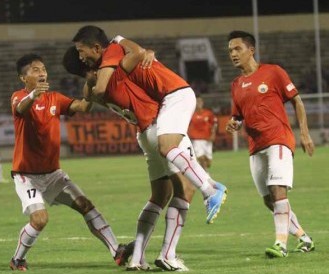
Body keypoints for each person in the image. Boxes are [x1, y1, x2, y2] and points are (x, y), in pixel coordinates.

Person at [72, 25, 227, 226]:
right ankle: (212, 187)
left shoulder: (112, 52)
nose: (80, 55)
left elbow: (133, 56)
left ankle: (209, 190)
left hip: (172, 96)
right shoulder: (109, 68)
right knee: (170, 186)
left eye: (80, 51)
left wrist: (120, 39)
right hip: (159, 109)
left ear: (95, 48)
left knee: (168, 150)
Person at [63, 45, 194, 271]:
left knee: (160, 195)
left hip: (142, 133)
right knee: (187, 189)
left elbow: (89, 94)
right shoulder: (111, 75)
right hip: (160, 126)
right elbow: (135, 57)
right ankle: (168, 255)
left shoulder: (90, 89)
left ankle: (137, 259)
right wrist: (147, 53)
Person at [8, 53, 133, 271]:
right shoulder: (19, 96)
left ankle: (117, 251)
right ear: (23, 78)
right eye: (35, 70)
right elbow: (21, 109)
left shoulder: (54, 98)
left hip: (53, 174)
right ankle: (17, 259)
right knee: (39, 220)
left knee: (86, 205)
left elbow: (83, 107)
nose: (42, 73)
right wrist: (33, 96)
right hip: (27, 175)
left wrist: (91, 83)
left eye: (43, 68)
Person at [225, 30, 315, 258]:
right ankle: (303, 238)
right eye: (230, 51)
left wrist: (304, 134)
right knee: (268, 199)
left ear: (251, 50)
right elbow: (237, 116)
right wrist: (234, 123)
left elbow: (297, 101)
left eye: (237, 49)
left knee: (278, 190)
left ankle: (280, 244)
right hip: (255, 146)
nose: (233, 54)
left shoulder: (273, 72)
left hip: (279, 139)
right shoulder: (236, 84)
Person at [187, 95, 218, 172]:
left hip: (207, 139)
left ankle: (205, 170)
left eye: (200, 101)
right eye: (197, 102)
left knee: (208, 162)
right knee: (200, 157)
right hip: (196, 140)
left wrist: (213, 134)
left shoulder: (208, 113)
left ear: (202, 103)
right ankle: (205, 175)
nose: (198, 103)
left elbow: (214, 124)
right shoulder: (191, 114)